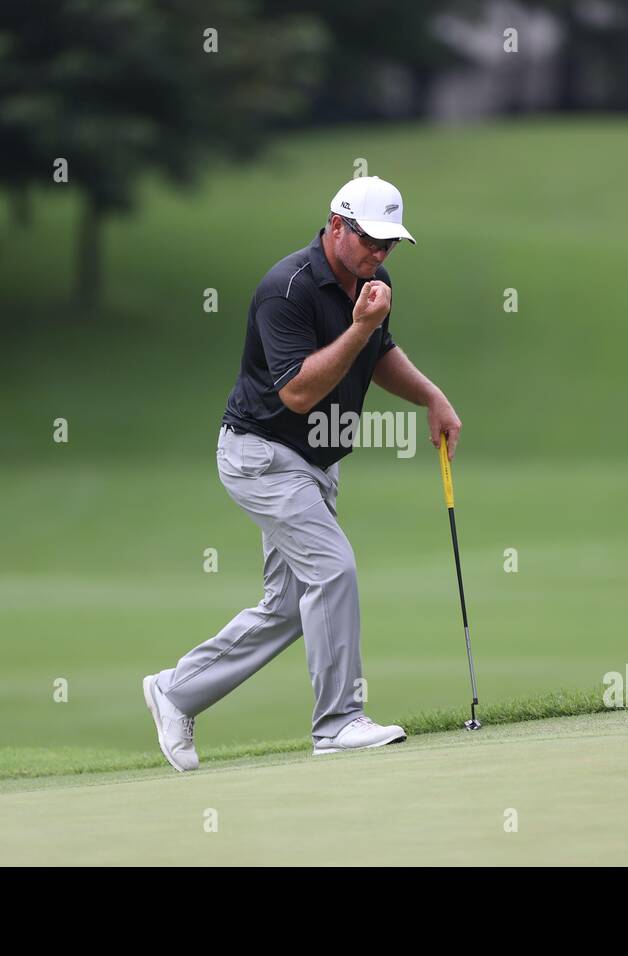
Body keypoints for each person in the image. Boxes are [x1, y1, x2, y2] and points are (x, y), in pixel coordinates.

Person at [143, 176, 462, 771]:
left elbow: (380, 355)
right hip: (261, 455)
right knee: (333, 568)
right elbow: (296, 391)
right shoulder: (284, 289)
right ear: (336, 226)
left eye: (390, 244)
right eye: (370, 240)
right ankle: (339, 723)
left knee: (290, 604)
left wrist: (431, 397)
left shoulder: (374, 283)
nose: (380, 254)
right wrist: (361, 327)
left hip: (314, 461)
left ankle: (175, 691)